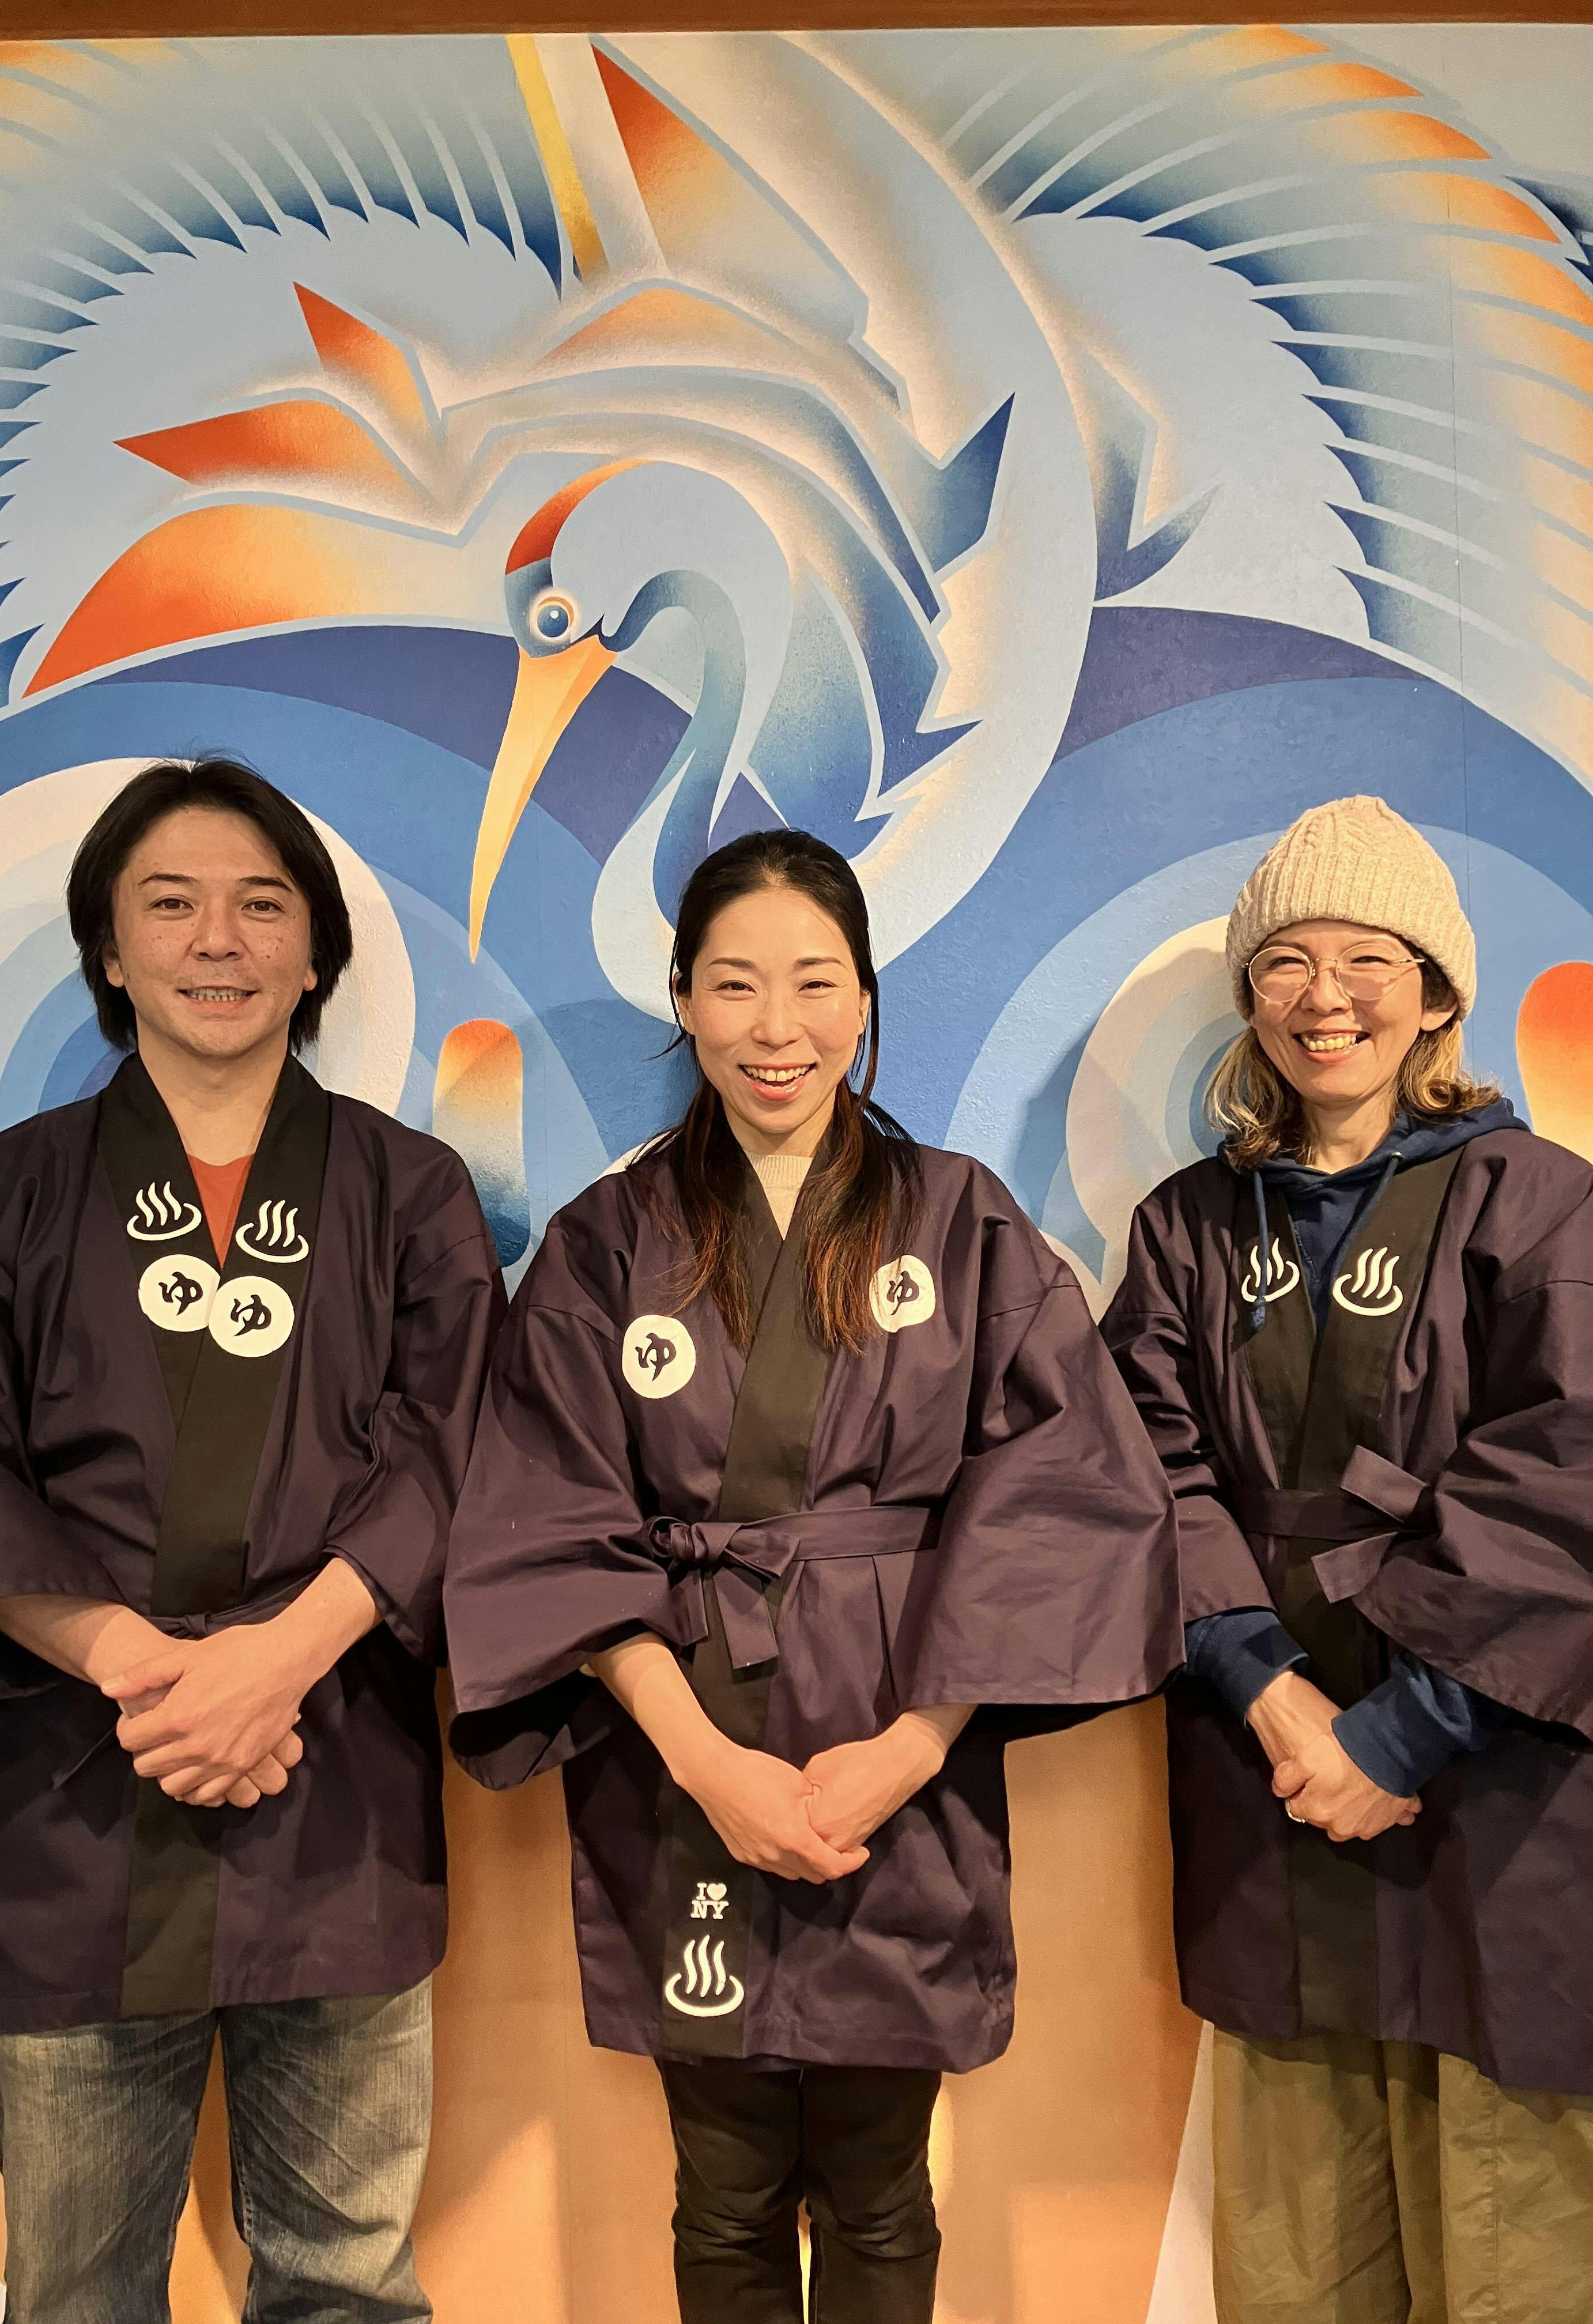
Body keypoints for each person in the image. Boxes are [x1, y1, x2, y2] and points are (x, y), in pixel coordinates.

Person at [443, 828, 1180, 2324]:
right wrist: (708, 1765)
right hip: (686, 1752)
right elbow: (552, 1510)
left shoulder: (961, 1221)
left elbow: (1059, 1493)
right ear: (684, 1001)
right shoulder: (608, 1243)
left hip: (895, 1748)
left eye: (813, 983)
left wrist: (910, 1749)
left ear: (862, 1000)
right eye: (734, 985)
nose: (775, 1026)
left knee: (880, 2184)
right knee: (720, 2192)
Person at [0, 758, 504, 2324]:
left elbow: (452, 1448)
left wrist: (274, 1665)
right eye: (171, 904)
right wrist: (158, 1675)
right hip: (84, 1791)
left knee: (346, 2284)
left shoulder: (412, 1198)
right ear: (109, 948)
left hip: (330, 1782)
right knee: (76, 2293)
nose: (219, 940)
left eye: (262, 904)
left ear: (317, 952)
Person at [1103, 795, 1593, 2323]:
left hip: (1491, 1780)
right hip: (1274, 1773)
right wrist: (1265, 1683)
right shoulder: (1191, 1227)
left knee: (1513, 2253)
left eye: (1370, 959)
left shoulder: (1541, 1203)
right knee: (1295, 2256)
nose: (1328, 997)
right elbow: (1141, 1466)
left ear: (1437, 993)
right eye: (1287, 963)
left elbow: (1570, 1474)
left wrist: (1401, 1730)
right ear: (1250, 997)